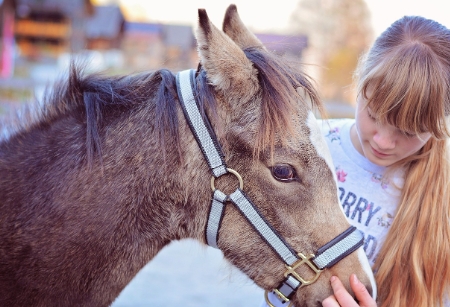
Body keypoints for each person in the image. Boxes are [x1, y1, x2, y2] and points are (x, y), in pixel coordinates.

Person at [263, 15, 450, 307]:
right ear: (360, 82)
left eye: (408, 132)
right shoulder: (306, 149)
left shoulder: (443, 209)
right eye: (374, 115)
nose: (383, 142)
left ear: (438, 124)